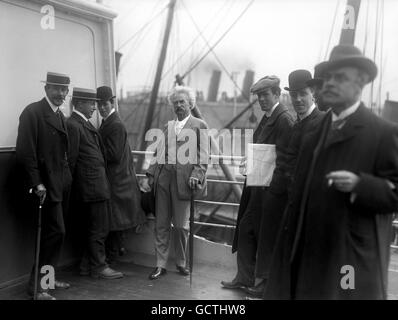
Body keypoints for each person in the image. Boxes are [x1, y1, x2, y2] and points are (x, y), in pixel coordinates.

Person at [264, 45, 398, 300]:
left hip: (350, 260)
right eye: (328, 78)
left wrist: (361, 185)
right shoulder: (314, 132)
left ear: (361, 84)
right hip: (310, 254)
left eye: (341, 78)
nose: (330, 84)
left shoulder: (382, 133)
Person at [252, 70, 325, 298]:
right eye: (294, 95)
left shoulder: (320, 123)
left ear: (312, 93)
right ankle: (267, 286)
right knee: (272, 241)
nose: (298, 100)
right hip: (279, 193)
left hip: (299, 199)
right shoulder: (296, 123)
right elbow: (283, 158)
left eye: (303, 94)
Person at [221, 76, 294, 293]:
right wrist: (250, 162)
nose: (261, 99)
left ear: (277, 94)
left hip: (269, 190)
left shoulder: (283, 120)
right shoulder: (268, 117)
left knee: (266, 236)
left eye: (266, 95)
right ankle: (244, 277)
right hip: (257, 186)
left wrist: (272, 186)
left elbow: (285, 158)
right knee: (245, 229)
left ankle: (263, 284)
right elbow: (263, 149)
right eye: (259, 96)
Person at [16, 72, 72, 300]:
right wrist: (37, 182)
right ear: (46, 88)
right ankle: (37, 287)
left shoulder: (59, 115)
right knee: (53, 233)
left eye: (64, 90)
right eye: (56, 89)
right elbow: (25, 152)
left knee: (56, 233)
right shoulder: (33, 113)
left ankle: (47, 279)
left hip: (58, 185)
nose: (61, 94)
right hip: (43, 188)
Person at [146, 86, 208, 280]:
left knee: (181, 226)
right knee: (161, 224)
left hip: (184, 181)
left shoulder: (199, 125)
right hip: (163, 178)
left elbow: (204, 155)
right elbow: (158, 152)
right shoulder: (168, 126)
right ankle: (160, 265)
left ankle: (181, 262)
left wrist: (197, 174)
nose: (179, 105)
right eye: (176, 103)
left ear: (191, 103)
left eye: (182, 102)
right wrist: (149, 174)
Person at [67, 87, 123, 279]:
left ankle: (86, 267)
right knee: (98, 229)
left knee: (93, 228)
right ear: (80, 103)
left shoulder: (82, 123)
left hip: (95, 186)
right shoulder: (74, 125)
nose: (95, 107)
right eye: (92, 103)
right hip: (89, 188)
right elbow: (71, 161)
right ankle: (99, 266)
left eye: (97, 103)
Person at [96, 86, 146, 262]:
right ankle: (116, 251)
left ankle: (113, 253)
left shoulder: (114, 124)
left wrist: (94, 153)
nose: (101, 108)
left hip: (117, 179)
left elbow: (114, 154)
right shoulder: (109, 122)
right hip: (117, 179)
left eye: (104, 104)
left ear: (112, 103)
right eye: (99, 104)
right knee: (115, 219)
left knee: (114, 219)